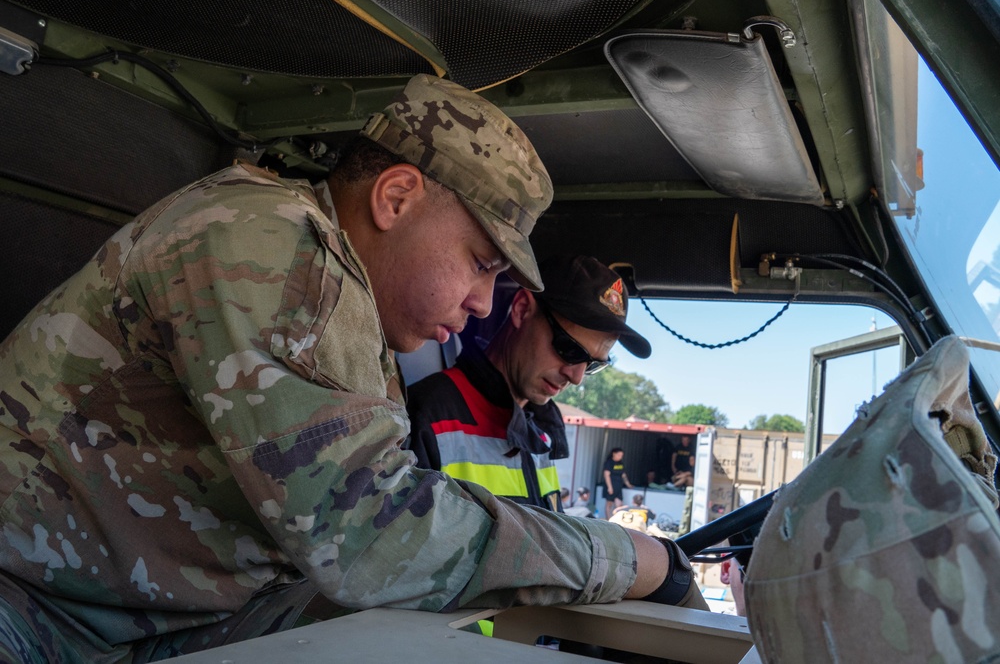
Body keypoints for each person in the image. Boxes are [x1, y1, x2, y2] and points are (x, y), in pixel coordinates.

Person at [0, 74, 704, 662]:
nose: (481, 303)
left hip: (154, 616)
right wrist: (626, 559)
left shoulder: (349, 310)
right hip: (33, 608)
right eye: (481, 265)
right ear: (395, 198)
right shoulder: (273, 245)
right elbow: (376, 535)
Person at [406, 253, 652, 511]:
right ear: (522, 309)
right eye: (569, 350)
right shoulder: (427, 417)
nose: (577, 378)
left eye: (593, 364)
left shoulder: (542, 432)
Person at [603, 447, 634, 518]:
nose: (620, 457)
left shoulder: (620, 463)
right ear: (614, 454)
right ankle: (608, 520)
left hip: (618, 487)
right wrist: (610, 487)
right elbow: (606, 475)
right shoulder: (609, 463)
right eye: (619, 455)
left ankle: (617, 520)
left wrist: (628, 484)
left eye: (621, 455)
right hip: (611, 486)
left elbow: (623, 475)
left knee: (619, 505)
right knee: (609, 504)